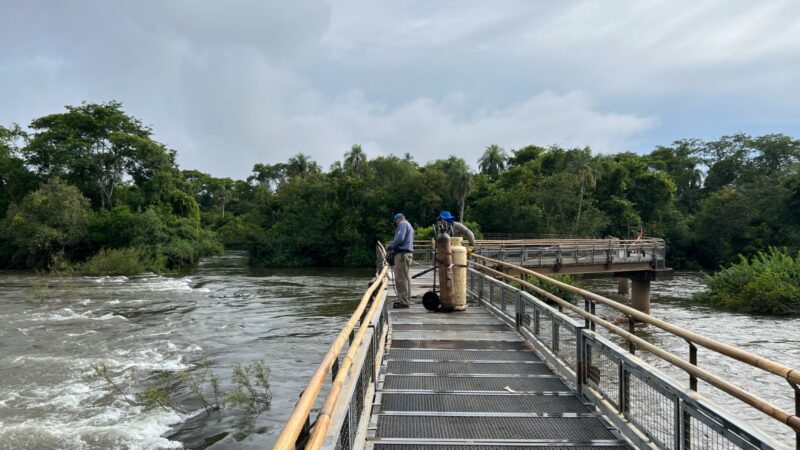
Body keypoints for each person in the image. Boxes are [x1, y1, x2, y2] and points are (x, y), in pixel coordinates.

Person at [387, 213, 414, 308]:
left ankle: (404, 302)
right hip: (406, 254)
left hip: (402, 255)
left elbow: (400, 238)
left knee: (400, 279)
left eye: (395, 222)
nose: (396, 224)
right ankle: (406, 300)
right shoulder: (409, 225)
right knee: (405, 278)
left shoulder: (402, 224)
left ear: (398, 220)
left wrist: (390, 247)